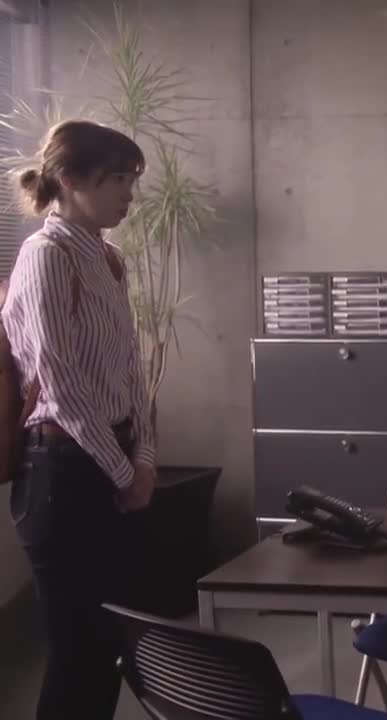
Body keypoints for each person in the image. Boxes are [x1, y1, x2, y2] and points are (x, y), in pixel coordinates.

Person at [3, 119, 157, 720]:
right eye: (117, 178)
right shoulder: (45, 256)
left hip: (111, 459)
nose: (128, 194)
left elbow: (130, 371)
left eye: (131, 180)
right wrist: (125, 475)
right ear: (69, 179)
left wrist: (144, 459)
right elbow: (62, 385)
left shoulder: (109, 259)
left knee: (112, 647)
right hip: (61, 473)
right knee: (78, 650)